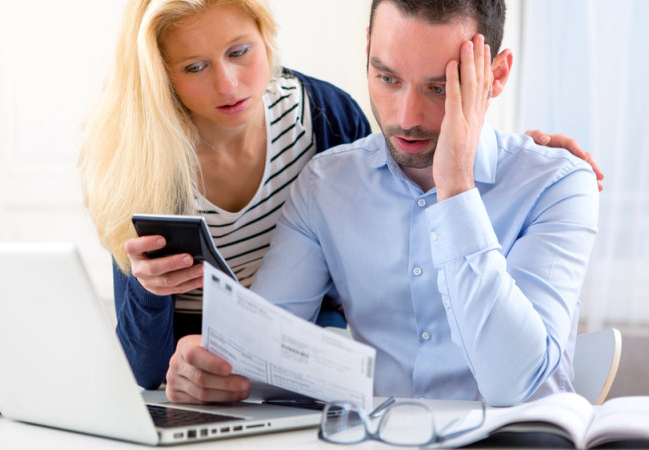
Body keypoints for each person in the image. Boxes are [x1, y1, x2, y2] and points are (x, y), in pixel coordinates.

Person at [78, 0, 602, 395]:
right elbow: (258, 353)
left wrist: (458, 187)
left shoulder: (556, 185)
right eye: (386, 77)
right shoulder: (327, 184)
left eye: (439, 87)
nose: (407, 117)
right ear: (366, 51)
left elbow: (520, 388)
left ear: (495, 76)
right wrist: (212, 369)